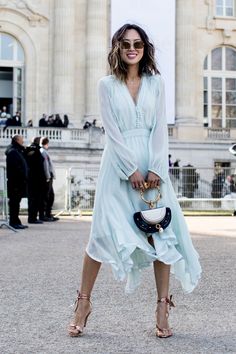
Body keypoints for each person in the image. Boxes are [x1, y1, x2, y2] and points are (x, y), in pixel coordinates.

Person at [68, 24, 201, 339]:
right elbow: (111, 131)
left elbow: (159, 129)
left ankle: (162, 306)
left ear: (144, 48)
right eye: (126, 43)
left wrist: (156, 167)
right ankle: (83, 303)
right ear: (117, 47)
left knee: (160, 234)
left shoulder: (157, 83)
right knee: (101, 233)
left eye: (137, 44)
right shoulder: (106, 85)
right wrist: (130, 170)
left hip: (152, 165)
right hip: (117, 165)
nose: (132, 48)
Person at [5, 135, 28, 229]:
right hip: (15, 181)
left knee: (16, 202)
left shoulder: (17, 150)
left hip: (18, 181)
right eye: (22, 139)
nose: (23, 141)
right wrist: (22, 173)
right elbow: (15, 167)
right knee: (14, 202)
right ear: (17, 140)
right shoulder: (13, 151)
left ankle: (16, 221)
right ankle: (13, 222)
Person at [25, 137, 45, 224]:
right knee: (33, 199)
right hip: (34, 178)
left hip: (36, 178)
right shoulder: (32, 149)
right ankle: (32, 218)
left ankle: (34, 217)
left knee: (35, 199)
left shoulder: (36, 149)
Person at [39, 137, 59, 222]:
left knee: (50, 196)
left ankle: (48, 213)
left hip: (49, 176)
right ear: (46, 143)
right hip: (47, 177)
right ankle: (46, 214)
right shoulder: (43, 152)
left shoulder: (44, 151)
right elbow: (46, 165)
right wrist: (48, 176)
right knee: (47, 196)